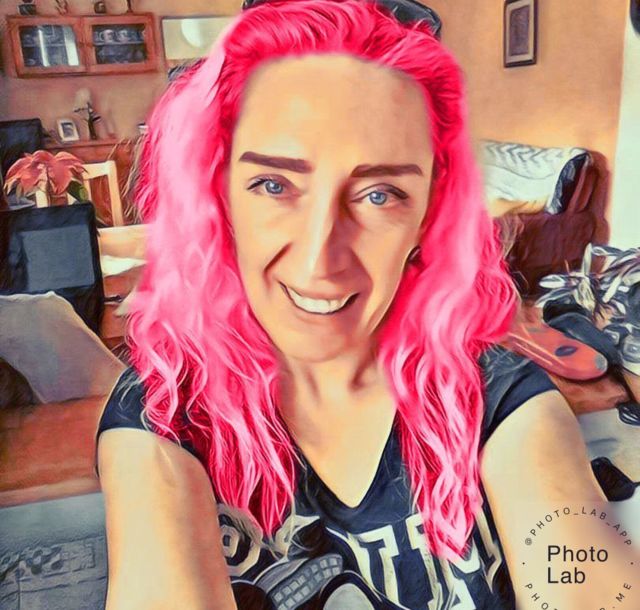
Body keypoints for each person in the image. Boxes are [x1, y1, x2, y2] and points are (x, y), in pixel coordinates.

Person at [96, 1, 636, 609]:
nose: (318, 263)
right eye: (274, 185)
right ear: (217, 197)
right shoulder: (164, 411)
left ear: (429, 214)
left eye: (379, 194)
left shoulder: (498, 394)